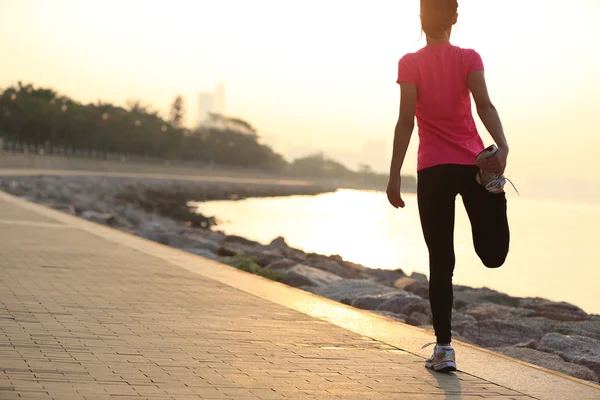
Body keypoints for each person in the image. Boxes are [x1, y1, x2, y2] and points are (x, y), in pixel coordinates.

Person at [386, 0, 512, 373]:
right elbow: (484, 106)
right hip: (474, 165)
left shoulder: (410, 62)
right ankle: (496, 191)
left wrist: (394, 175)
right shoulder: (469, 58)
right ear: (455, 18)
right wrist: (501, 147)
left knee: (441, 263)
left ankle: (444, 350)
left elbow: (405, 122)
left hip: (434, 171)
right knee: (493, 257)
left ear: (420, 19)